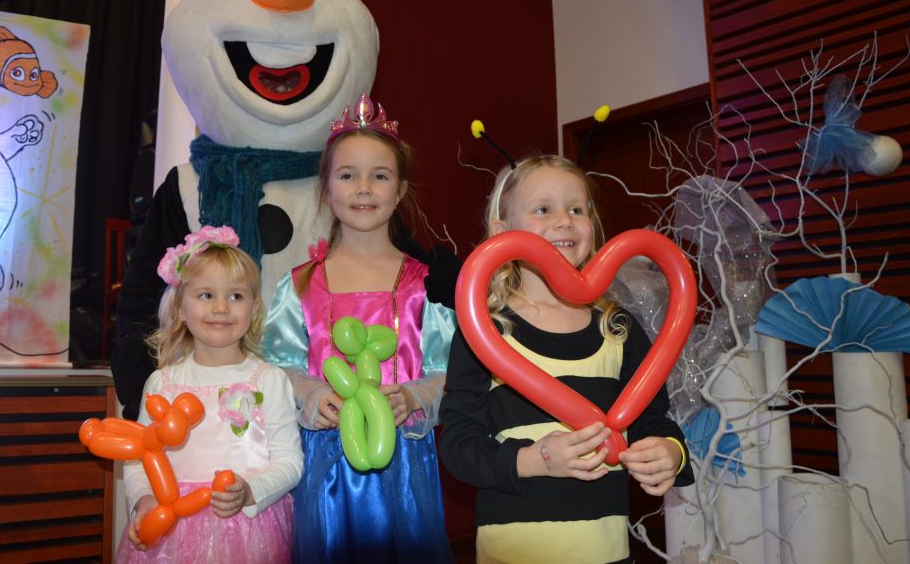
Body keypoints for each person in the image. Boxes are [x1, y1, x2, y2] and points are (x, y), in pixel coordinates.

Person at [438, 155, 693, 564]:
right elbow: (458, 447)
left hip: (608, 554)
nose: (564, 221)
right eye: (543, 209)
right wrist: (536, 459)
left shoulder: (619, 330)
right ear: (502, 233)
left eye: (577, 209)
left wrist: (670, 451)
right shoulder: (484, 332)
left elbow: (654, 420)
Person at [263, 94, 456, 563]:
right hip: (325, 467)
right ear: (326, 188)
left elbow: (450, 374)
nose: (363, 188)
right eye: (348, 175)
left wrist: (414, 397)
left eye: (380, 176)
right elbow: (275, 369)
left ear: (400, 190)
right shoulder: (299, 286)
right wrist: (311, 394)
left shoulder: (427, 285)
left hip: (405, 471)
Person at [118, 225, 303, 564]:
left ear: (254, 308)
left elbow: (290, 462)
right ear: (180, 308)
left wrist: (250, 490)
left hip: (247, 534)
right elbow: (138, 456)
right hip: (170, 533)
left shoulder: (269, 380)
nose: (221, 307)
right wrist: (143, 500)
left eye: (236, 296)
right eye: (206, 295)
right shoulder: (161, 384)